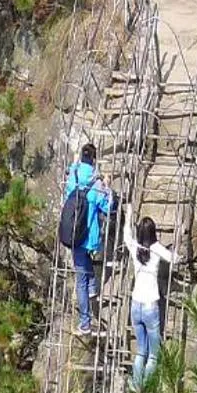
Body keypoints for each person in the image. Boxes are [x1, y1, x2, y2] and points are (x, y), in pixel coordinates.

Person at [62, 144, 113, 338]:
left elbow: (67, 192)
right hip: (89, 237)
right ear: (94, 160)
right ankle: (86, 322)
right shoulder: (97, 183)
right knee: (82, 281)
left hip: (74, 236)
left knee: (81, 273)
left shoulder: (73, 177)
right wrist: (107, 186)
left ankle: (86, 313)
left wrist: (74, 164)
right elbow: (108, 207)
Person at [125, 214, 176, 387]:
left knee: (141, 351)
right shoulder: (156, 248)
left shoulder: (134, 247)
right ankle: (146, 387)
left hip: (135, 305)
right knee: (154, 355)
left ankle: (136, 385)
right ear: (153, 232)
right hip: (150, 306)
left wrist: (129, 214)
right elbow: (173, 258)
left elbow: (126, 235)